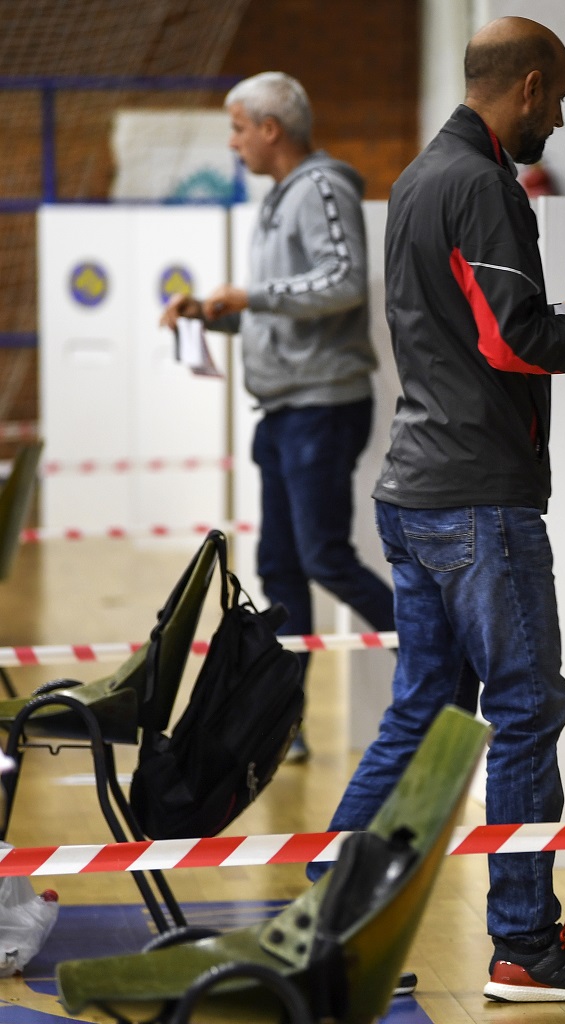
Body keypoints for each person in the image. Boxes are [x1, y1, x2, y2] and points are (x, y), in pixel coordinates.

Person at [311, 17, 565, 1003]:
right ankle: (524, 943)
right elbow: (511, 341)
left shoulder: (417, 178)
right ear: (532, 85)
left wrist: (554, 318)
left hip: (414, 492)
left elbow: (475, 323)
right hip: (476, 503)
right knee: (528, 706)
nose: (562, 114)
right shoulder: (487, 183)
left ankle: (334, 917)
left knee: (422, 708)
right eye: (562, 94)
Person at [159, 71, 394, 764]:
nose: (233, 144)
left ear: (270, 129)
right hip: (285, 410)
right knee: (281, 565)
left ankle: (438, 664)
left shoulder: (322, 187)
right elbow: (283, 312)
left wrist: (252, 294)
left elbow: (342, 283)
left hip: (321, 407)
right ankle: (283, 722)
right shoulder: (280, 199)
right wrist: (214, 312)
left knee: (323, 556)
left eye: (237, 128)